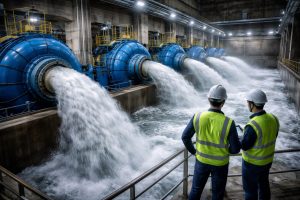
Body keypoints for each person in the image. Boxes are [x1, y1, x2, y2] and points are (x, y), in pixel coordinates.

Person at [181, 84, 241, 200]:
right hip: (220, 164)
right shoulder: (229, 122)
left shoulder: (197, 117)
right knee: (217, 194)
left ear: (209, 99)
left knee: (196, 190)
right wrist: (226, 149)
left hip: (201, 160)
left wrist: (194, 152)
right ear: (223, 102)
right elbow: (235, 149)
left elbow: (185, 137)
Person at [241, 89, 279, 200]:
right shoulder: (274, 118)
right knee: (264, 187)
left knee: (250, 191)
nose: (247, 104)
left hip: (252, 164)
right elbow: (273, 135)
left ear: (252, 104)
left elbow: (245, 146)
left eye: (248, 102)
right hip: (267, 161)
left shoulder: (252, 125)